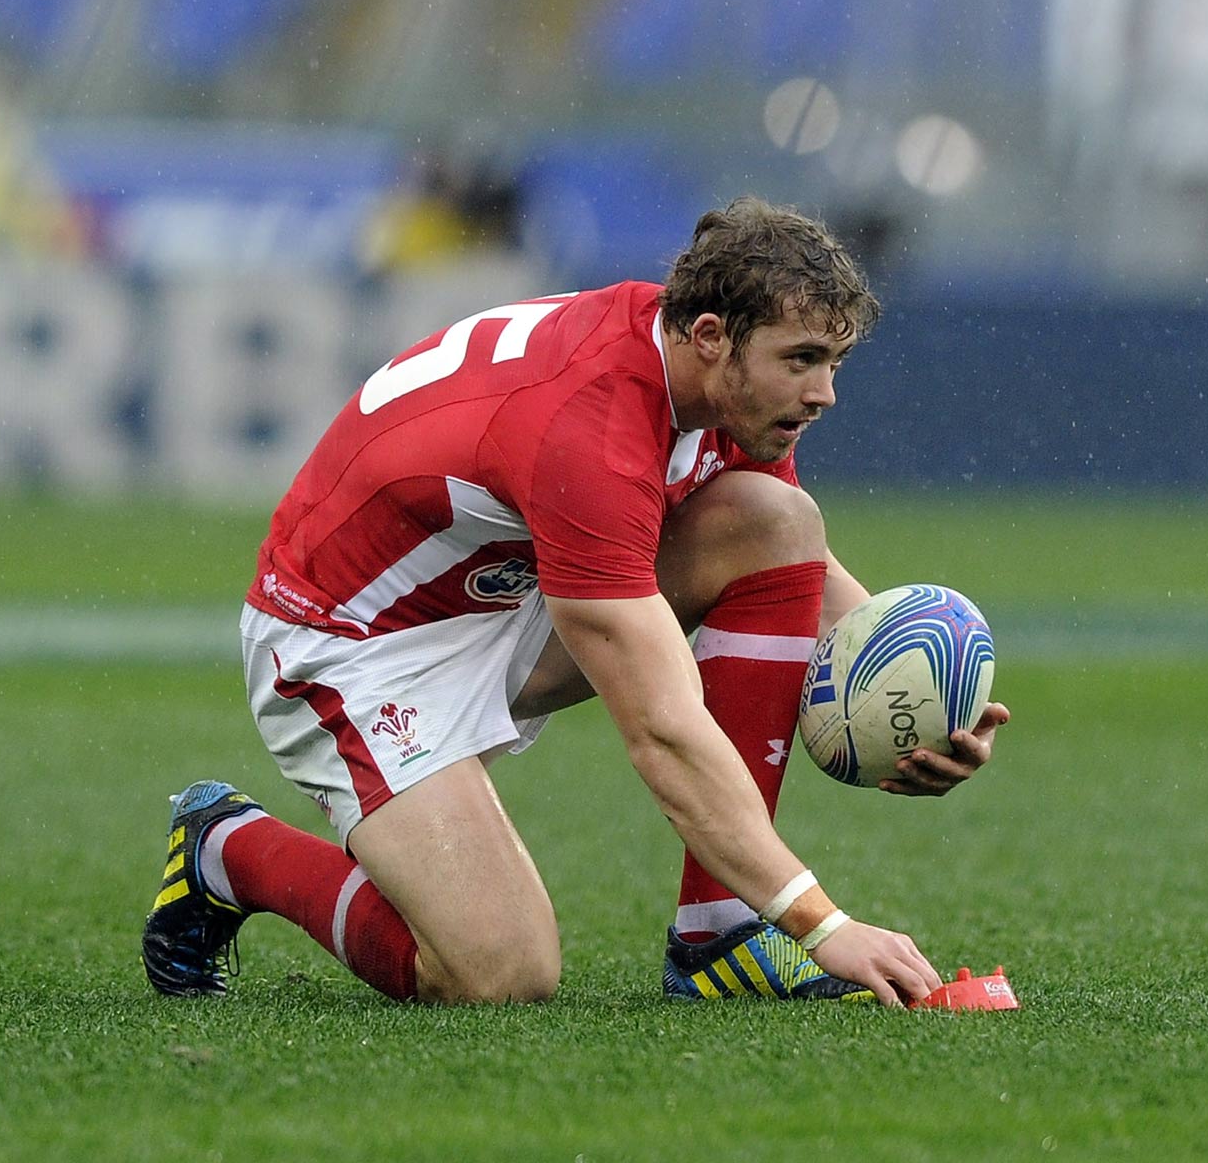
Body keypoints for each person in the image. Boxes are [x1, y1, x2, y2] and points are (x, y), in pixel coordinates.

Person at [141, 197, 1011, 1006]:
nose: (824, 393)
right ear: (711, 336)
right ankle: (228, 848)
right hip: (356, 641)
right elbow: (663, 732)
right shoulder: (591, 431)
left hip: (499, 596)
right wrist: (824, 925)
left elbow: (802, 575)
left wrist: (922, 706)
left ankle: (720, 937)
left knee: (774, 519)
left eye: (833, 362)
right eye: (801, 361)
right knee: (500, 973)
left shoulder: (706, 383)